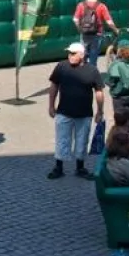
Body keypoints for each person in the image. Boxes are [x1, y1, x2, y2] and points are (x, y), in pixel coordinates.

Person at [47, 42, 104, 181]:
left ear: (82, 55)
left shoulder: (92, 70)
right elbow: (54, 86)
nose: (70, 56)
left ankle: (80, 167)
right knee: (62, 140)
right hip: (64, 112)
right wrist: (51, 106)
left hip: (84, 113)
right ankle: (58, 167)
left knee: (82, 141)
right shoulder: (61, 67)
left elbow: (99, 91)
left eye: (73, 53)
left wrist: (100, 111)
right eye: (69, 53)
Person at [73, 0, 117, 70]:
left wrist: (80, 29)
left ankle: (82, 75)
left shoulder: (81, 5)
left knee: (83, 56)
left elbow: (75, 19)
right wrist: (116, 30)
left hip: (84, 33)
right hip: (97, 34)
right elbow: (109, 21)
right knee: (93, 58)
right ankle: (92, 76)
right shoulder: (101, 6)